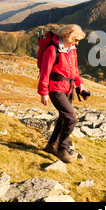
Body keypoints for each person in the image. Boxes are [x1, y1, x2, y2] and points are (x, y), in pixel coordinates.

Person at [37, 24, 86, 163]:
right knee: (71, 118)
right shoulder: (52, 50)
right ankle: (62, 148)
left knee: (64, 118)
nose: (77, 43)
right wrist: (43, 92)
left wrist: (80, 83)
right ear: (67, 36)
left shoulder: (72, 50)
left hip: (68, 87)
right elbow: (45, 72)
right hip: (56, 88)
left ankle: (51, 145)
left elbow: (74, 69)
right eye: (75, 40)